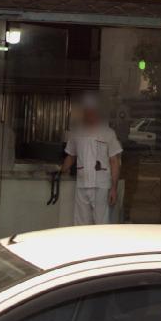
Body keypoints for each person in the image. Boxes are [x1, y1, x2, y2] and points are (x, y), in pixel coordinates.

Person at [60, 92, 122, 226]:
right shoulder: (76, 132)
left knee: (101, 224)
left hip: (101, 186)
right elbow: (71, 156)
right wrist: (59, 172)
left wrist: (114, 188)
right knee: (81, 224)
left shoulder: (108, 133)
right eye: (87, 110)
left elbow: (114, 162)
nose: (90, 114)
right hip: (82, 185)